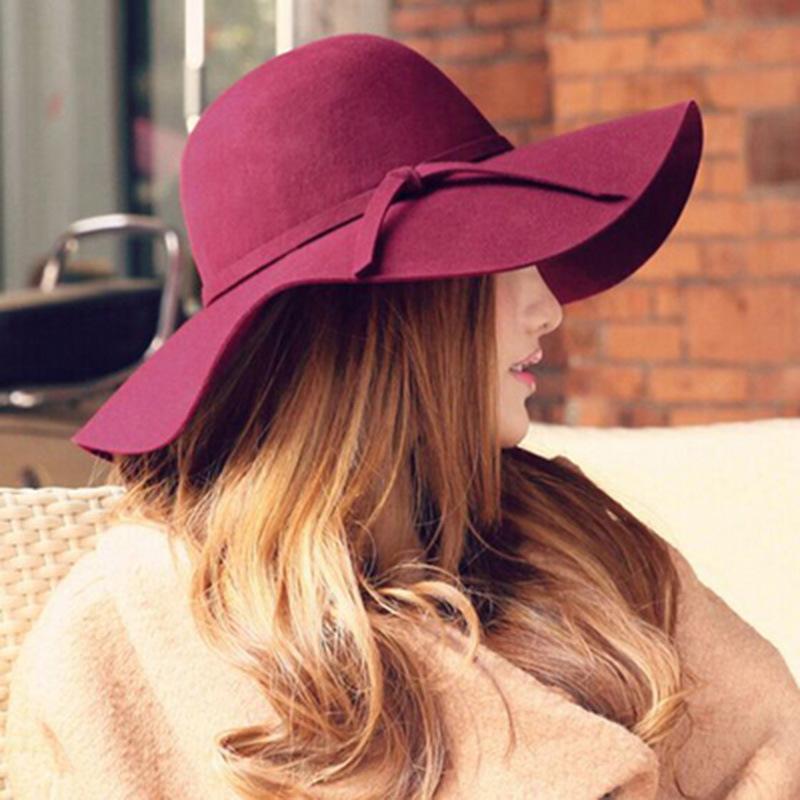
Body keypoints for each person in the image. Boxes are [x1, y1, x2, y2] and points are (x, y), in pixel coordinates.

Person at [6, 33, 800, 800]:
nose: (549, 307)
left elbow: (773, 747)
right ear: (381, 319)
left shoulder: (581, 541)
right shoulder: (140, 630)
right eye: (499, 256)